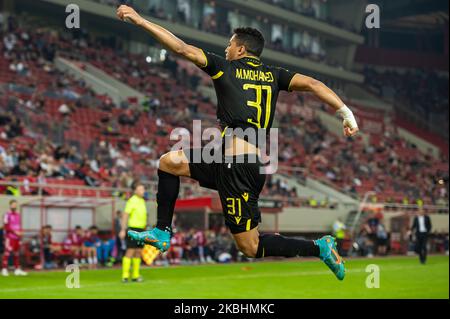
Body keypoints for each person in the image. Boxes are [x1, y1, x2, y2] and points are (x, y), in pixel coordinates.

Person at [117, 4, 359, 281]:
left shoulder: (225, 68)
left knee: (250, 247)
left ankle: (319, 247)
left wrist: (140, 21)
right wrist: (346, 113)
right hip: (228, 158)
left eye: (230, 44)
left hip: (238, 167)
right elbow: (315, 84)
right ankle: (162, 230)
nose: (226, 49)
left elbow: (181, 48)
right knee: (168, 162)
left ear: (241, 49)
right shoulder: (274, 75)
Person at [119, 181, 147, 282]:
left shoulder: (142, 201)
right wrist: (123, 229)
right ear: (135, 190)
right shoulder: (132, 201)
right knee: (130, 250)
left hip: (141, 230)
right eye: (141, 189)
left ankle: (135, 275)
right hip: (133, 229)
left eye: (143, 189)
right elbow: (125, 215)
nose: (143, 191)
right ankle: (125, 276)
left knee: (138, 252)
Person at [2, 200, 28, 276]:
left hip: (17, 238)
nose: (14, 206)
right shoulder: (7, 215)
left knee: (16, 253)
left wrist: (21, 232)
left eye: (15, 205)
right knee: (7, 252)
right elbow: (6, 226)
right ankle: (4, 269)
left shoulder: (18, 215)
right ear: (10, 205)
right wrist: (15, 232)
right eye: (13, 205)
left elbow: (19, 226)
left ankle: (17, 269)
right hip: (9, 237)